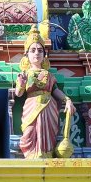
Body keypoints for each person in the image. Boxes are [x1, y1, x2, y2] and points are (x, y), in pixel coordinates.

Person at [14, 27, 74, 159]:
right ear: (27, 55)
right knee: (30, 131)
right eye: (33, 50)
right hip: (32, 105)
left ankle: (45, 153)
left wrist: (67, 100)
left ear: (44, 55)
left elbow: (55, 90)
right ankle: (32, 154)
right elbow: (18, 93)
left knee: (47, 132)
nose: (37, 53)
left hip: (48, 106)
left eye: (40, 50)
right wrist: (22, 83)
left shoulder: (48, 75)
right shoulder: (25, 74)